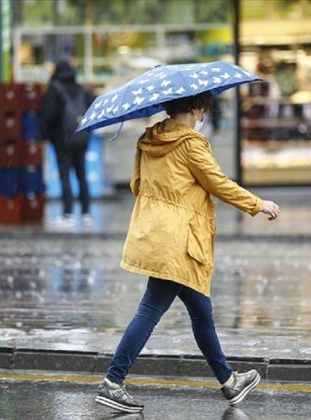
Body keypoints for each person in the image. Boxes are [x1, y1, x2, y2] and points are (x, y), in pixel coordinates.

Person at [95, 91, 281, 413]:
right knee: (151, 309)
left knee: (201, 311)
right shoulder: (191, 144)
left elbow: (136, 185)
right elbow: (218, 183)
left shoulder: (148, 139)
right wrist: (257, 204)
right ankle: (113, 381)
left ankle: (229, 381)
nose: (201, 114)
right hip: (180, 240)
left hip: (155, 232)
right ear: (197, 107)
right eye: (202, 108)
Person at [39, 57, 94, 227]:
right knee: (81, 174)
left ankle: (68, 214)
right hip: (81, 137)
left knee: (65, 175)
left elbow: (49, 116)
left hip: (62, 139)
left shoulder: (54, 89)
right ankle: (86, 213)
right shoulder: (80, 89)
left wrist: (46, 135)